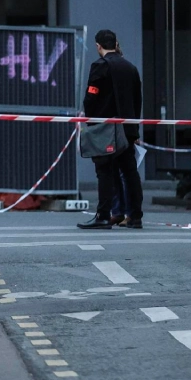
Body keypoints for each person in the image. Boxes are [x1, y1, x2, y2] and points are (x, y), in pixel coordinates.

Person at [77, 29, 144, 230]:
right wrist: (134, 130)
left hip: (105, 128)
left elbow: (92, 97)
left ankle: (104, 215)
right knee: (130, 172)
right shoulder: (131, 68)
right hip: (127, 129)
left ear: (98, 46)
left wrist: (89, 119)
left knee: (104, 171)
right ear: (115, 44)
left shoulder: (99, 67)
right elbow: (137, 100)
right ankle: (135, 217)